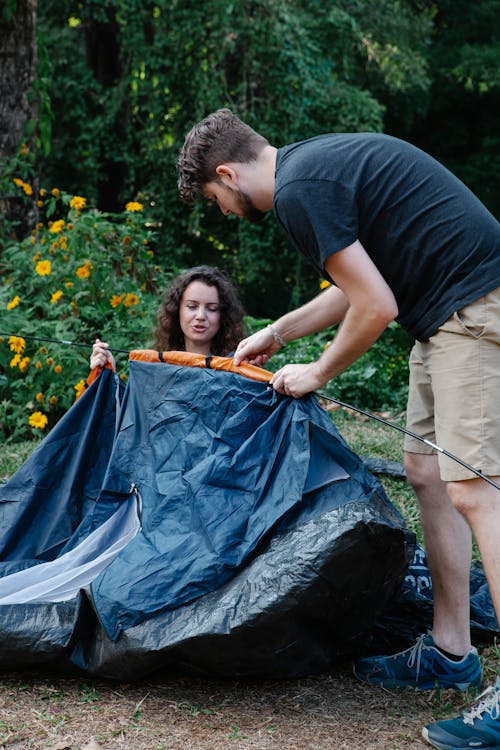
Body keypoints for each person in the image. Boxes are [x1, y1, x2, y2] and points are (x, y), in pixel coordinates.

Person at [177, 108, 500, 749]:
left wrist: (317, 372)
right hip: (443, 317)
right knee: (427, 473)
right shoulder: (309, 167)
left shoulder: (299, 193)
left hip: (475, 304)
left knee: (475, 489)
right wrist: (275, 333)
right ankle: (451, 650)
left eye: (216, 201)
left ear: (226, 173)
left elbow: (375, 307)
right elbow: (356, 286)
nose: (224, 212)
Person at [90, 264, 246, 370]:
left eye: (212, 309)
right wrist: (108, 372)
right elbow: (131, 415)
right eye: (192, 306)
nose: (200, 316)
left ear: (223, 316)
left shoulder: (238, 369)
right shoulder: (156, 369)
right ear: (177, 310)